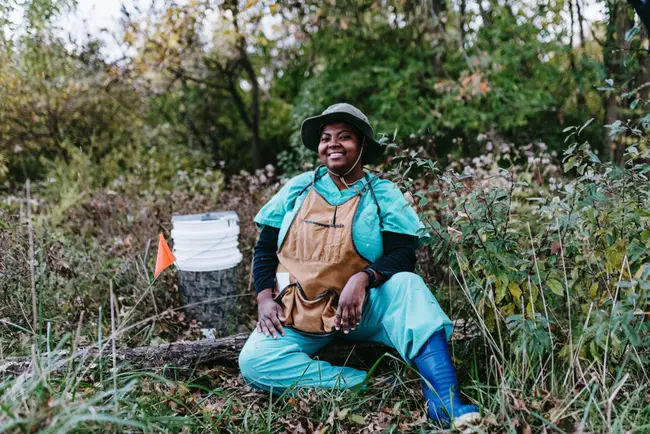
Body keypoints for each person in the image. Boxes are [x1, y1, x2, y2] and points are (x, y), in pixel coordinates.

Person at [238, 103, 480, 428]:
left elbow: (403, 255)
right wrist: (265, 297)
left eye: (344, 136)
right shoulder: (298, 189)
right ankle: (364, 384)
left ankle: (445, 404)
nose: (332, 143)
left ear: (362, 144)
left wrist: (364, 278)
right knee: (254, 363)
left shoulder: (382, 193)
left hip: (361, 311)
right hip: (296, 312)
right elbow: (266, 248)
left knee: (409, 285)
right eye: (326, 138)